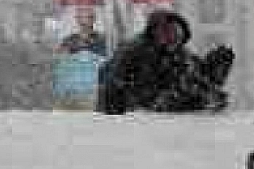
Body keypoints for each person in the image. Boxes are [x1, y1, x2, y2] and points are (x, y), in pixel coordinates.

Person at [97, 9, 233, 114]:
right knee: (184, 89)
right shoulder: (133, 51)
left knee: (195, 85)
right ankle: (202, 100)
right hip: (135, 111)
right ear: (155, 32)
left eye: (178, 34)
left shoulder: (179, 54)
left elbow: (197, 75)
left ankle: (206, 100)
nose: (174, 39)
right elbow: (113, 85)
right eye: (169, 33)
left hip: (165, 109)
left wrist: (212, 69)